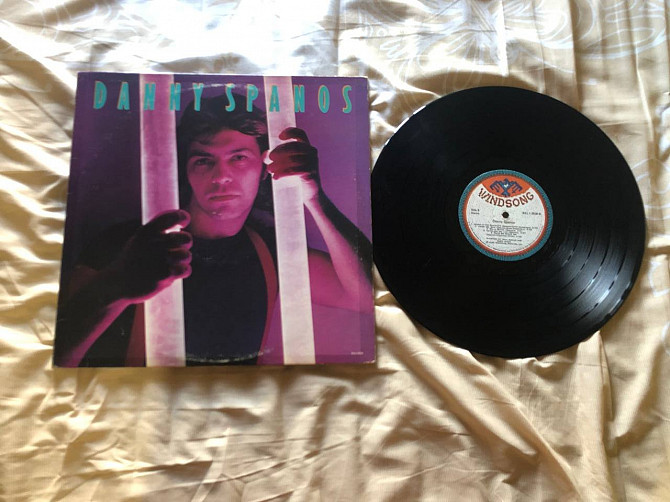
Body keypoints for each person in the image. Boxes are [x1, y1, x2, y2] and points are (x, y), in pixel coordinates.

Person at [54, 93, 372, 367]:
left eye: (238, 158)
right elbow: (58, 357)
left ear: (265, 168)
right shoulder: (128, 244)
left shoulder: (273, 254)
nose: (221, 176)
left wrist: (315, 198)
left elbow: (366, 295)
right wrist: (115, 286)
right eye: (204, 161)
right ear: (187, 169)